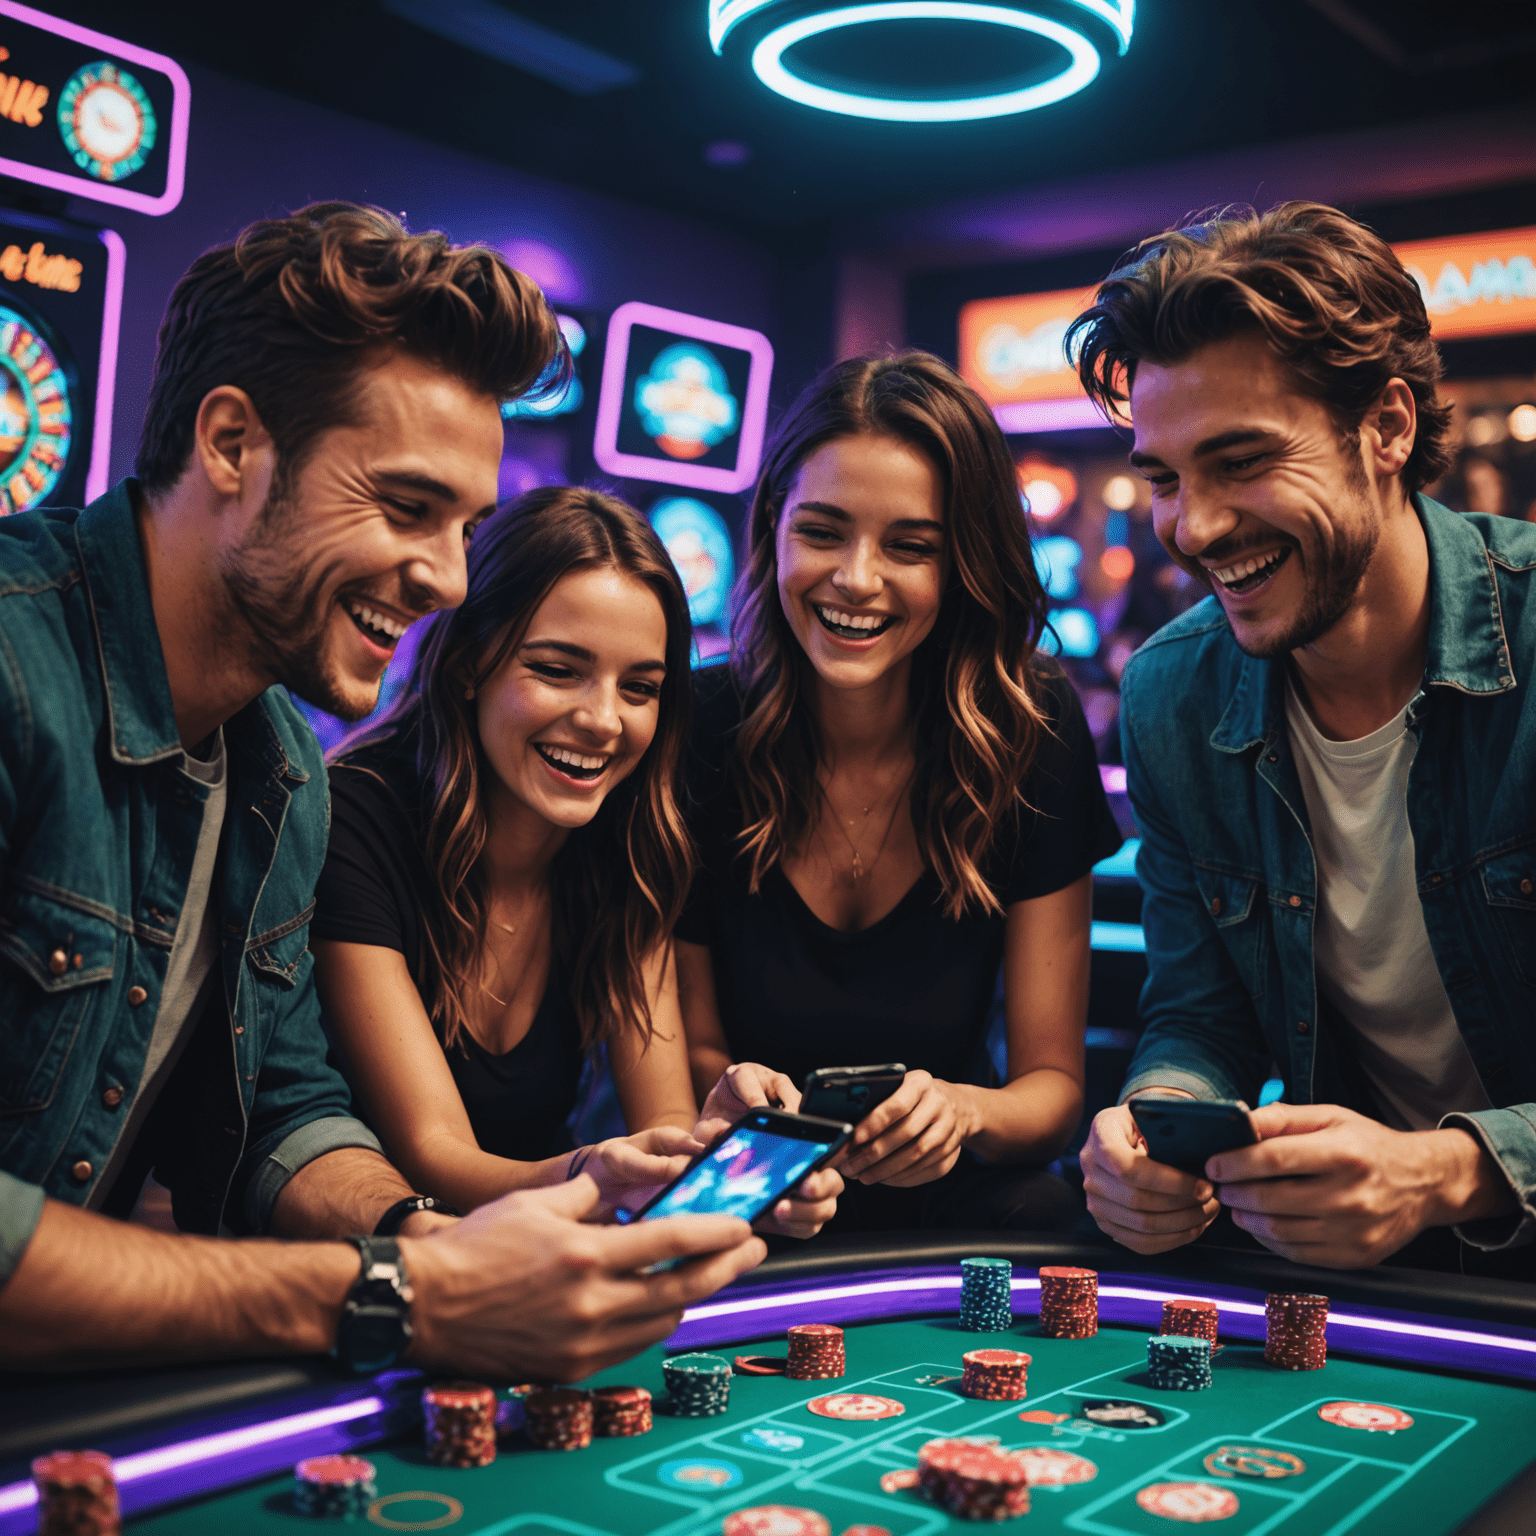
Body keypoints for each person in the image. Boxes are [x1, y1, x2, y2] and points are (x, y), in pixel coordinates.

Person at [0, 202, 764, 1377]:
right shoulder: (12, 671)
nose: (451, 579)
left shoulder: (280, 770)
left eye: (464, 524)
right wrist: (393, 1294)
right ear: (231, 444)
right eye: (408, 508)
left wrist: (439, 1240)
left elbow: (282, 1119)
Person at [1072, 202, 1536, 1277]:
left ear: (1387, 427)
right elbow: (1199, 1014)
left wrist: (1451, 1172)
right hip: (1393, 1287)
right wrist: (1158, 1124)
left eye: (1240, 462)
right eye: (1164, 479)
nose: (1193, 526)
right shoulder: (1172, 697)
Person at [677, 351, 1123, 1236]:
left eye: (910, 546)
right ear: (772, 528)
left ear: (964, 562)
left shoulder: (1030, 725)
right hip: (744, 1188)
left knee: (1047, 1210)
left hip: (951, 1195)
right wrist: (733, 1105)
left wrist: (960, 1111)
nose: (857, 578)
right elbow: (687, 1052)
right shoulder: (693, 723)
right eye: (823, 532)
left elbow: (1051, 1094)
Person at [313, 486, 837, 1235]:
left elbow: (663, 1122)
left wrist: (718, 1159)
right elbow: (432, 1154)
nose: (602, 721)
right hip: (363, 1283)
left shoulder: (630, 849)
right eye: (558, 670)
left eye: (641, 689)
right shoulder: (357, 818)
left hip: (537, 1281)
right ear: (468, 664)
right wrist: (597, 1174)